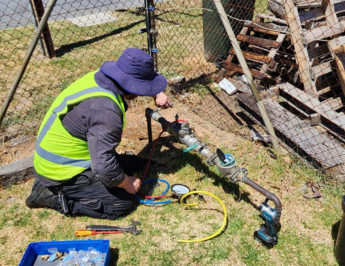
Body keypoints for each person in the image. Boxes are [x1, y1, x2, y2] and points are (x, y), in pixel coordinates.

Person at [25, 48, 172, 220]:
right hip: (61, 171)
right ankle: (50, 195)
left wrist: (155, 91)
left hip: (65, 155)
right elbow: (104, 167)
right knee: (124, 202)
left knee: (127, 167)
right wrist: (127, 183)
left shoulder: (101, 79)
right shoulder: (105, 111)